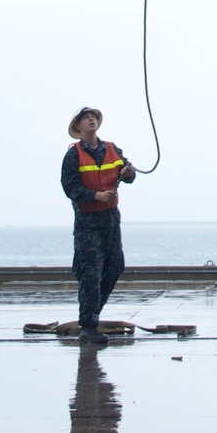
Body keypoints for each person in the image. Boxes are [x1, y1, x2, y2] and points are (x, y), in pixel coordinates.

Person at [62, 106, 136, 346]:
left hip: (111, 219)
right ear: (78, 126)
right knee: (90, 273)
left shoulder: (113, 149)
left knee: (115, 267)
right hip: (88, 223)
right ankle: (88, 326)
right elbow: (70, 188)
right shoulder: (73, 154)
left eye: (93, 116)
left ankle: (92, 316)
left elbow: (130, 175)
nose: (91, 120)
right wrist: (96, 195)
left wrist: (127, 172)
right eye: (86, 118)